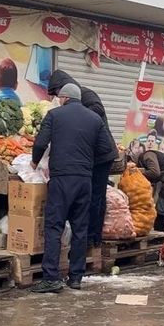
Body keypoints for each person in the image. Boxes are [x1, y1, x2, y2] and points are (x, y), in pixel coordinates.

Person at [30, 83, 114, 293]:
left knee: (54, 226)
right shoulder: (94, 119)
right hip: (84, 179)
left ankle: (51, 277)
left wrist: (34, 162)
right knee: (80, 228)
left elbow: (41, 143)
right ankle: (76, 277)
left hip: (61, 179)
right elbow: (105, 148)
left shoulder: (55, 115)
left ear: (65, 98)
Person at [47, 70, 119, 248]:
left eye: (58, 93)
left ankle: (92, 237)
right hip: (88, 155)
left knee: (96, 196)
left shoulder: (87, 94)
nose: (58, 97)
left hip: (101, 156)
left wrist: (75, 115)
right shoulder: (72, 102)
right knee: (89, 197)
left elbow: (97, 111)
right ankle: (88, 237)